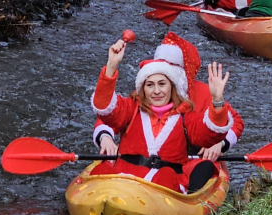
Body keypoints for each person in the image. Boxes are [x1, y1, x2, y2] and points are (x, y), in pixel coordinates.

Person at [90, 36, 235, 193]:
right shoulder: (131, 109)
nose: (157, 91)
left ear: (171, 87)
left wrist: (218, 101)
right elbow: (104, 108)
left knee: (167, 176)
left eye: (162, 84)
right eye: (150, 85)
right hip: (126, 178)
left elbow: (211, 133)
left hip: (165, 188)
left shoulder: (185, 116)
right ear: (143, 89)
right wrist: (111, 66)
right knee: (100, 171)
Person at [152, 31, 244, 161]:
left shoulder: (205, 93)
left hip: (196, 160)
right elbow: (116, 116)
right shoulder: (146, 93)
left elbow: (236, 122)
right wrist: (110, 138)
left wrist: (220, 144)